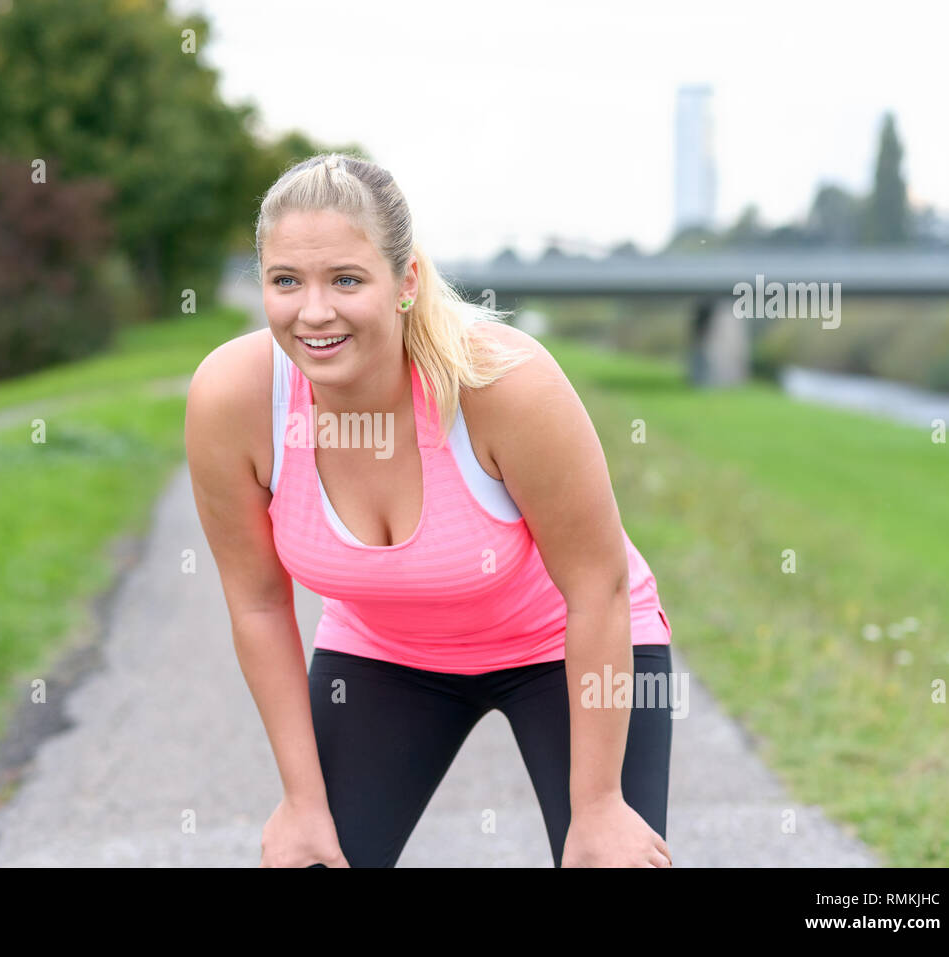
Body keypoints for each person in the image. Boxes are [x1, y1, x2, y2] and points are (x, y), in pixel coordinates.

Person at [185, 152, 676, 868]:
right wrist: (302, 800)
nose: (313, 310)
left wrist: (598, 805)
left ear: (405, 281)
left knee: (609, 860)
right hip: (388, 653)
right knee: (314, 858)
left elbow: (595, 585)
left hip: (560, 643)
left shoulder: (503, 383)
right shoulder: (234, 398)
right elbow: (258, 605)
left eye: (346, 279)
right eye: (286, 280)